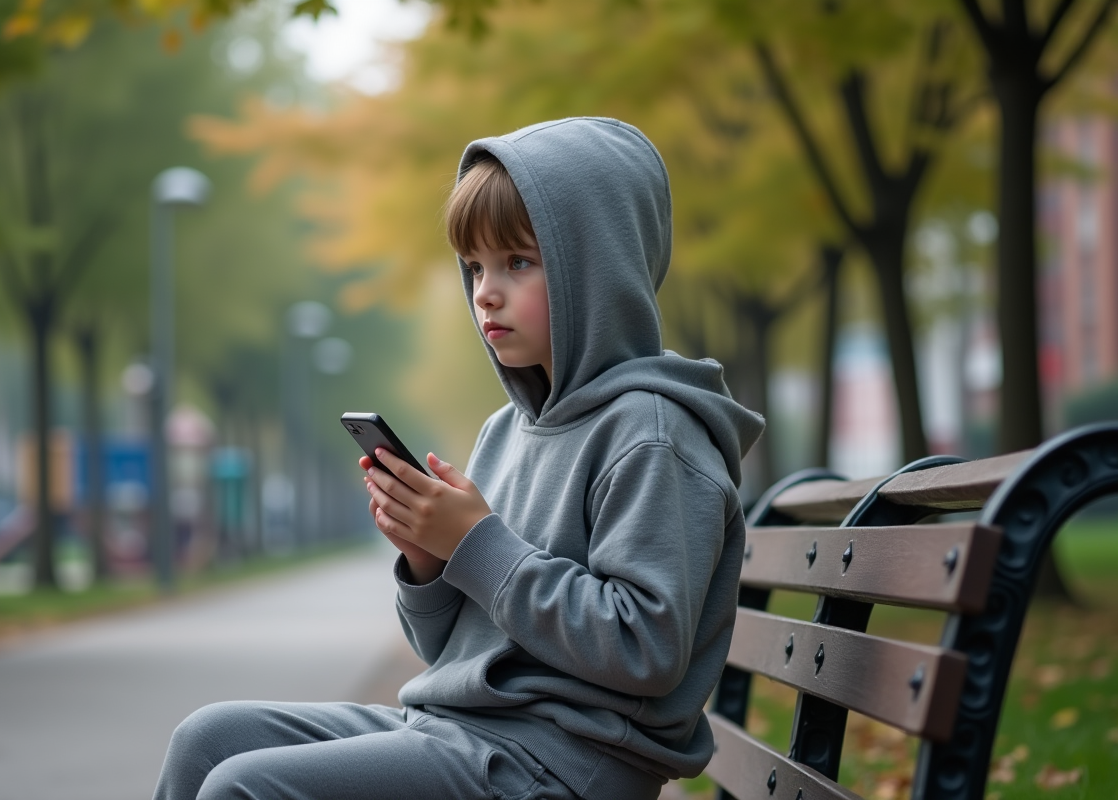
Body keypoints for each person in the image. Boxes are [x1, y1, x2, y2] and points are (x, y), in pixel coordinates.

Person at [153, 117, 764, 800]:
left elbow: (643, 651)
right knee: (206, 739)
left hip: (565, 764)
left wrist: (476, 543)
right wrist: (429, 561)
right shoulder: (507, 430)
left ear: (599, 268)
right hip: (465, 730)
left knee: (246, 787)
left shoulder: (653, 435)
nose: (485, 292)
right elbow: (448, 650)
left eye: (518, 262)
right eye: (474, 266)